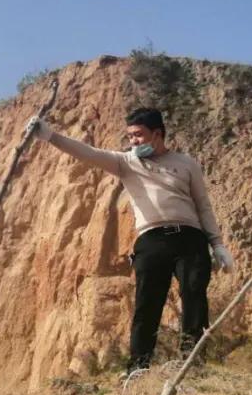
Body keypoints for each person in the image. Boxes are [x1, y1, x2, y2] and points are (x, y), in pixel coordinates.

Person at [27, 107, 234, 375]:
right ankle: (138, 368)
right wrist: (50, 136)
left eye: (138, 135)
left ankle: (192, 363)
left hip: (190, 238)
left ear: (157, 134)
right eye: (130, 136)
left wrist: (217, 244)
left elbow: (203, 206)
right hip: (151, 240)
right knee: (147, 303)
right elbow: (88, 153)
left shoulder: (186, 164)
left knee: (194, 294)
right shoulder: (126, 162)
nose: (133, 141)